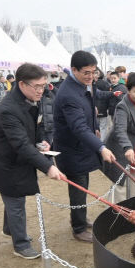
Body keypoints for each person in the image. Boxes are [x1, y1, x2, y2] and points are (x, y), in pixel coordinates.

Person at [0, 63, 64, 259]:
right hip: (4, 164)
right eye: (37, 86)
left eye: (43, 85)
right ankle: (21, 244)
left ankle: (9, 229)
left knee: (13, 198)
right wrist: (47, 167)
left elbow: (32, 131)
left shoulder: (30, 100)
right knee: (15, 200)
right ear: (22, 84)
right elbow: (20, 144)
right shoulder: (7, 109)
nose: (41, 90)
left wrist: (40, 142)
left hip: (18, 161)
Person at [53, 50, 117, 243]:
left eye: (93, 72)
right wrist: (101, 147)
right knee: (78, 188)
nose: (91, 76)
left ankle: (80, 218)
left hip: (83, 147)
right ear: (74, 70)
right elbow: (78, 127)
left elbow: (91, 110)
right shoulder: (69, 94)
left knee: (83, 185)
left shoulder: (85, 85)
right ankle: (78, 228)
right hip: (71, 149)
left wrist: (96, 128)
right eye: (86, 72)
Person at [103, 72, 135, 202]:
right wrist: (127, 147)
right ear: (128, 89)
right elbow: (120, 130)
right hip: (120, 148)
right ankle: (116, 215)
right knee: (121, 184)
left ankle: (134, 210)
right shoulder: (122, 106)